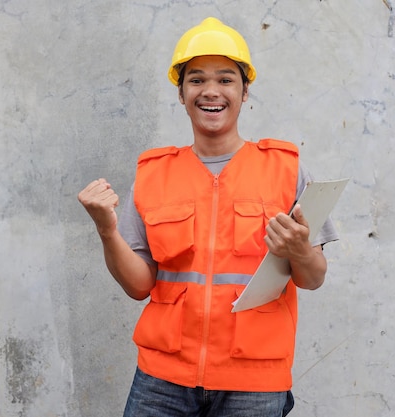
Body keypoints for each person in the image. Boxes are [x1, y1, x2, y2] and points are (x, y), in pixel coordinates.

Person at [78, 17, 338, 417]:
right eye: (196, 80)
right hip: (163, 380)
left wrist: (301, 250)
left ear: (244, 91)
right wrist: (106, 229)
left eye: (225, 79)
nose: (210, 91)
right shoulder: (153, 174)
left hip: (254, 382)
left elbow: (313, 277)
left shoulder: (287, 170)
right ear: (181, 94)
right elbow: (139, 285)